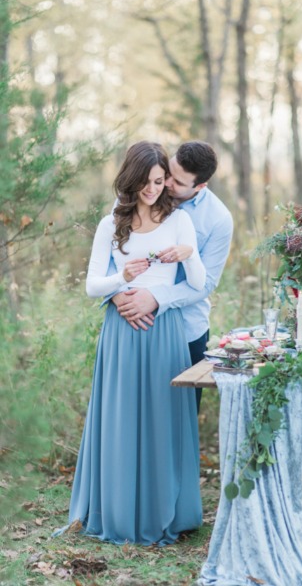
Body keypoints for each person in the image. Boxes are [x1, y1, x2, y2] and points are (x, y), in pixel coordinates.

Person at [64, 141, 205, 546]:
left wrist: (188, 255)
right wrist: (122, 279)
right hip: (122, 334)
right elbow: (93, 285)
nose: (153, 189)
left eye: (159, 181)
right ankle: (120, 509)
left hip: (164, 332)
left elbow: (197, 283)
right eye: (145, 182)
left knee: (163, 419)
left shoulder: (179, 222)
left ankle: (167, 509)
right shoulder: (111, 223)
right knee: (122, 419)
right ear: (131, 180)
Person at [111, 141, 234, 412]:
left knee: (180, 416)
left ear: (199, 187)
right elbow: (109, 255)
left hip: (186, 331)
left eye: (176, 182)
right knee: (131, 412)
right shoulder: (137, 194)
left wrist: (155, 298)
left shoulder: (218, 219)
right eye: (168, 172)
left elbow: (207, 284)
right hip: (131, 325)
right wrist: (117, 295)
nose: (164, 183)